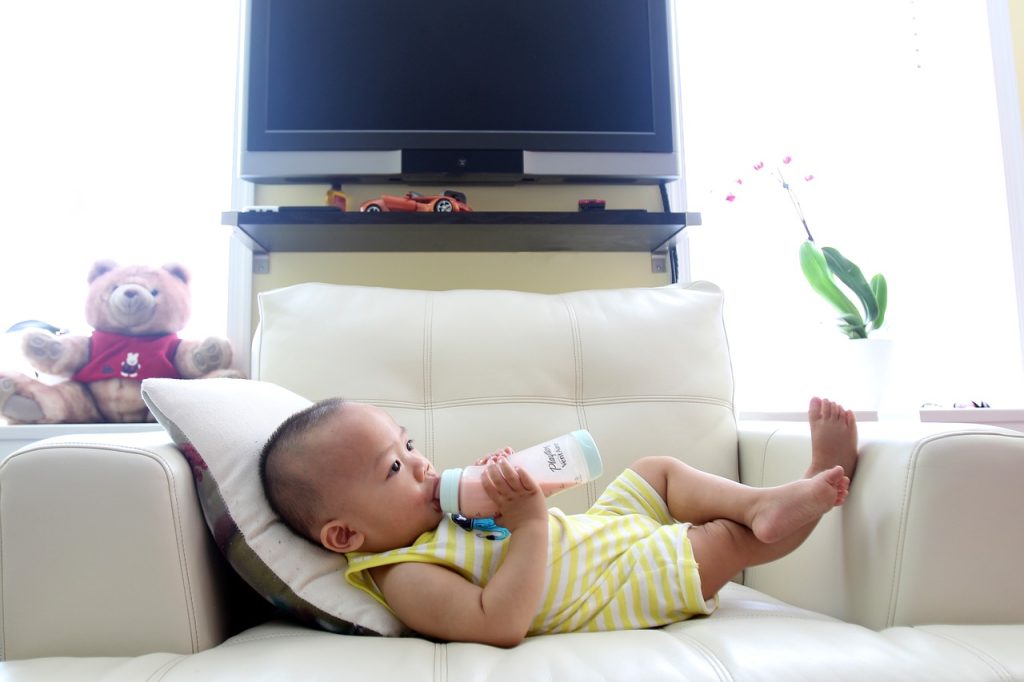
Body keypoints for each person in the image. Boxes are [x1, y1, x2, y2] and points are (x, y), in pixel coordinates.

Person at [259, 397, 857, 647]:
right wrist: (530, 521)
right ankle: (798, 495)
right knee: (725, 541)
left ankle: (762, 499)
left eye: (409, 444)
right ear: (345, 536)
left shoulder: (435, 517)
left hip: (601, 531)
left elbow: (505, 526)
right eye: (394, 465)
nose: (421, 463)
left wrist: (505, 488)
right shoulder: (404, 573)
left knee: (657, 471)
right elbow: (499, 624)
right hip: (618, 584)